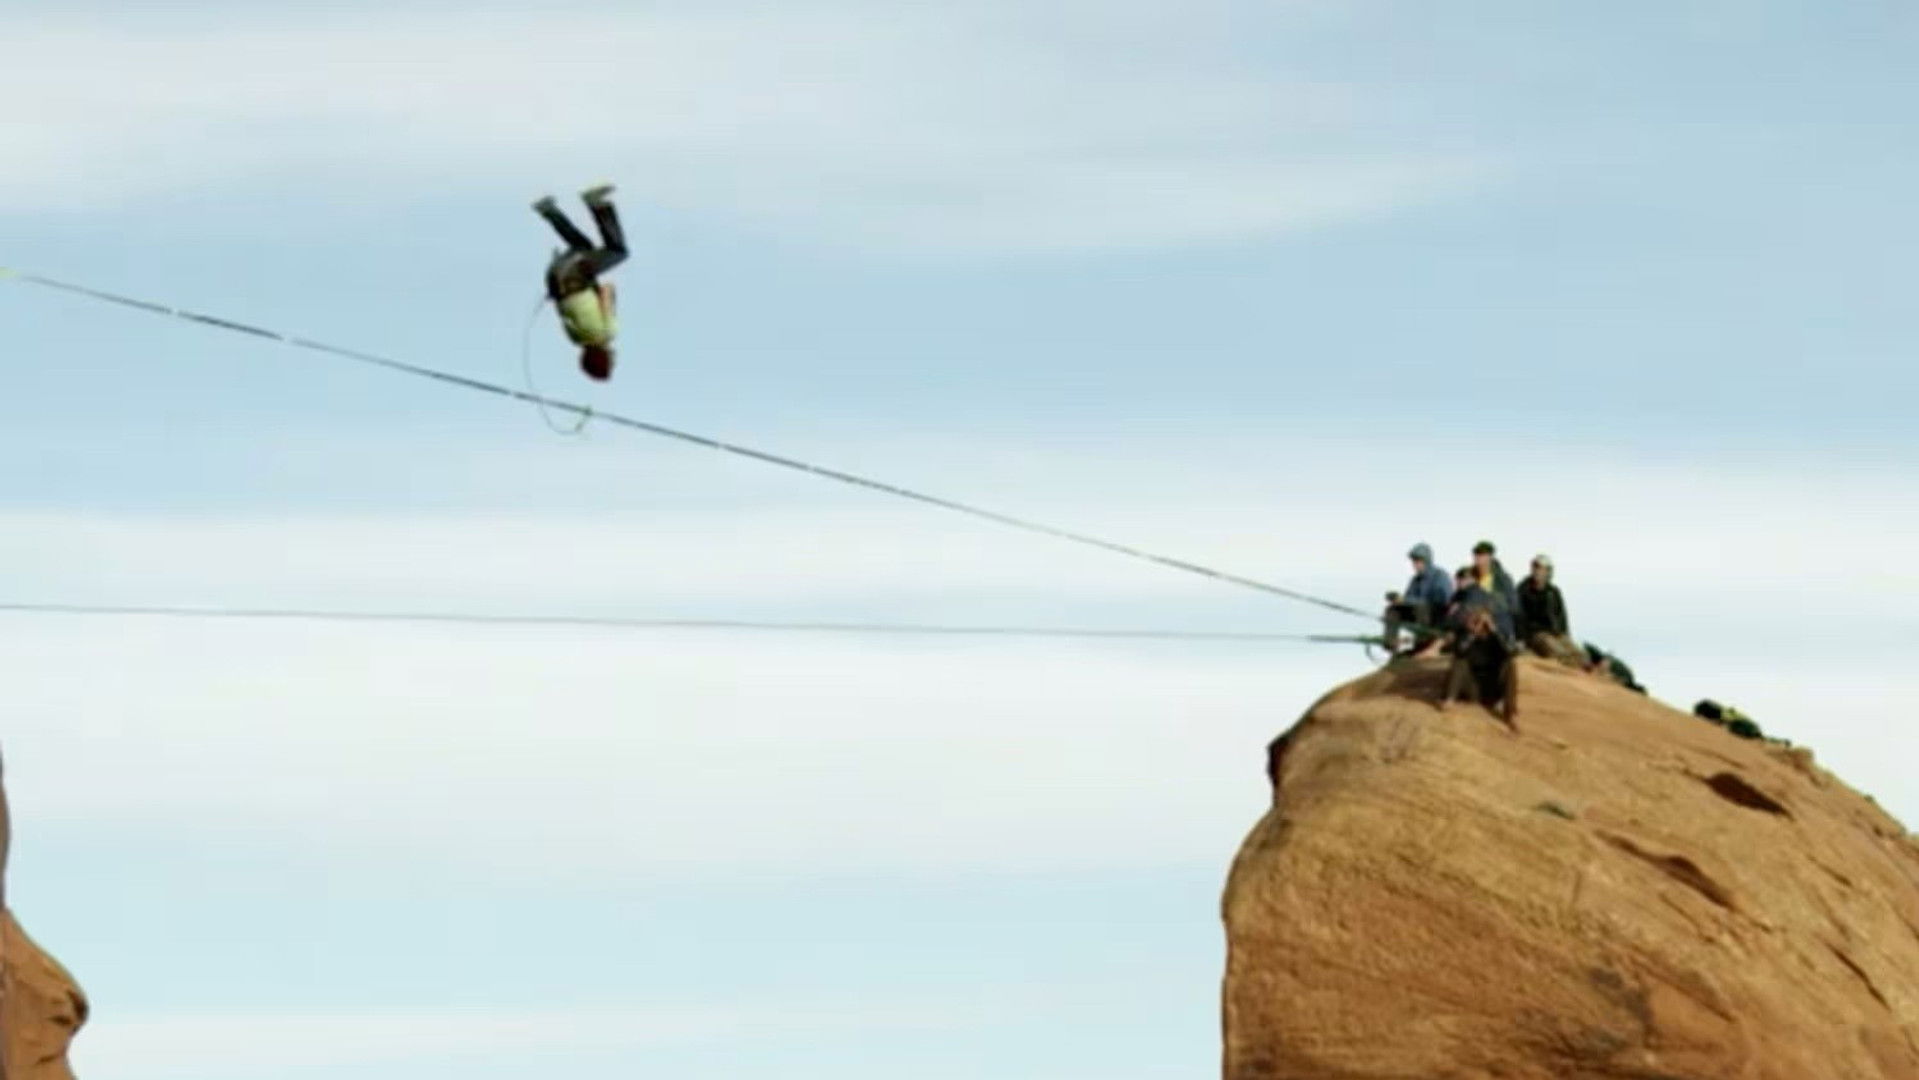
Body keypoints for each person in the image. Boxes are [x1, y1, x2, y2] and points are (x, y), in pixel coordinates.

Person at [532, 184, 628, 381]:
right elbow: (566, 310)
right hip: (556, 278)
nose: (615, 359)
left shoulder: (608, 333)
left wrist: (609, 301)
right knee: (582, 246)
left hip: (574, 276)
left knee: (618, 252)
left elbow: (607, 290)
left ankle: (597, 203)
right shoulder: (574, 339)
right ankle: (547, 209)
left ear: (605, 358)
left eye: (612, 362)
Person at [1440, 605, 1519, 729]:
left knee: (1509, 664)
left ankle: (1510, 712)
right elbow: (1460, 650)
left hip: (1491, 687)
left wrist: (1494, 631)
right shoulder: (1465, 634)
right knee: (1460, 661)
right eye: (1477, 621)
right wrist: (1472, 633)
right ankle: (1450, 699)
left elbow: (1510, 652)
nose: (1482, 626)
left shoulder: (1497, 637)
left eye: (1484, 623)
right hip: (1471, 688)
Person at [1383, 543, 1454, 654]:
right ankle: (1390, 642)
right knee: (1392, 609)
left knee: (1421, 607)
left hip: (1437, 616)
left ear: (1426, 561)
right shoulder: (1415, 580)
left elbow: (1443, 600)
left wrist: (1408, 601)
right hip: (1418, 614)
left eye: (1417, 561)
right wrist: (1397, 600)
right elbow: (1408, 599)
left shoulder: (1440, 576)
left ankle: (1423, 641)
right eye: (1413, 561)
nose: (1414, 564)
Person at [1516, 554, 1583, 666]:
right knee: (1557, 651)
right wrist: (1521, 639)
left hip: (1555, 632)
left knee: (1578, 653)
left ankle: (1586, 668)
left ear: (1548, 572)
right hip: (1536, 634)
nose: (1537, 571)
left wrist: (1565, 635)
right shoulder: (1523, 590)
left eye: (1541, 568)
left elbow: (1562, 616)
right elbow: (1518, 617)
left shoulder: (1553, 592)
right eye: (1536, 567)